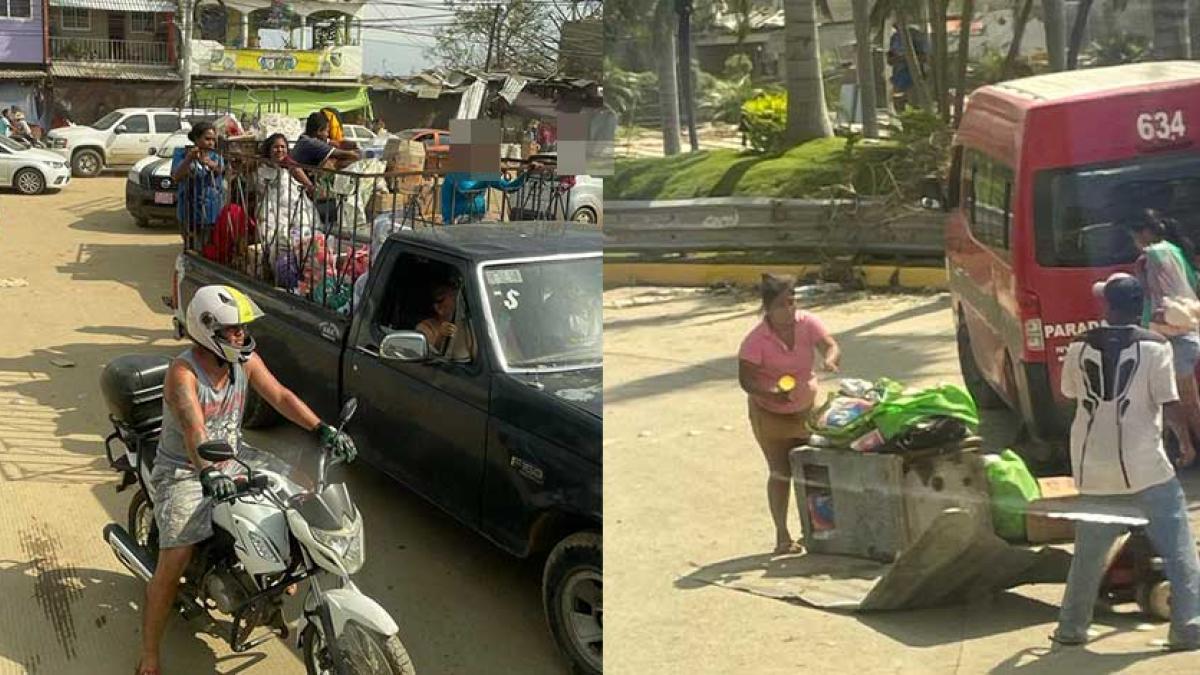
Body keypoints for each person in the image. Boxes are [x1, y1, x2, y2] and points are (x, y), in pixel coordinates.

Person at [137, 285, 359, 675]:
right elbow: (194, 428)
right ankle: (150, 654)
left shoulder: (244, 361)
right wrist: (207, 472)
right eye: (231, 330)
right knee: (175, 559)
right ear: (207, 330)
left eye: (241, 328)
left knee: (300, 491)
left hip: (235, 457)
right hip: (187, 470)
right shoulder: (183, 372)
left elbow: (280, 396)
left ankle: (268, 588)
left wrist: (322, 429)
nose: (240, 335)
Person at [1052, 273, 1200, 651]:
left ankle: (1071, 628)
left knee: (1088, 555)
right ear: (1141, 307)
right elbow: (1168, 403)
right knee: (1179, 548)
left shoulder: (1078, 347)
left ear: (1108, 306)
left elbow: (1069, 392)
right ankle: (1188, 629)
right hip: (1145, 467)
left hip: (1092, 468)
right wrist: (1184, 443)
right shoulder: (1156, 347)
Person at [737, 273, 841, 555]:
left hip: (805, 409)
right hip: (769, 413)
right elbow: (746, 380)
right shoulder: (756, 340)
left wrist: (829, 359)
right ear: (768, 308)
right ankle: (782, 536)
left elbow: (829, 345)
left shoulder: (808, 323)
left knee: (814, 469)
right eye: (782, 304)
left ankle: (822, 531)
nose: (789, 309)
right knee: (781, 472)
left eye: (792, 302)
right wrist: (770, 392)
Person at [1124, 209, 1200, 453]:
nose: (1135, 243)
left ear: (1145, 233)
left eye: (1135, 237)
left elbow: (1150, 298)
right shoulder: (1175, 249)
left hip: (1167, 335)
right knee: (1187, 399)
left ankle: (1186, 447)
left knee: (1181, 401)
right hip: (1188, 328)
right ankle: (1184, 447)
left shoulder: (1148, 257)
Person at [291, 112, 359, 229]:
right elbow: (344, 154)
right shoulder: (311, 143)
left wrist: (350, 143)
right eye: (326, 131)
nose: (328, 135)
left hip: (307, 186)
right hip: (303, 189)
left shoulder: (307, 138)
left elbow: (336, 143)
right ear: (318, 131)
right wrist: (358, 154)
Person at [171, 121, 226, 249]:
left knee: (208, 248)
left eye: (213, 140)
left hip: (211, 211)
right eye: (207, 139)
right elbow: (176, 176)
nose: (211, 143)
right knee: (191, 248)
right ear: (196, 138)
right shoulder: (182, 153)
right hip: (188, 210)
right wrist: (189, 159)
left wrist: (210, 164)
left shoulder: (216, 155)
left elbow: (221, 171)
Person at [257, 133, 316, 249]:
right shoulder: (261, 165)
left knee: (299, 226)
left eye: (282, 147)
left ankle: (296, 244)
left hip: (290, 206)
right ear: (269, 150)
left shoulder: (288, 164)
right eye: (276, 147)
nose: (279, 150)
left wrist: (310, 186)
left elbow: (299, 174)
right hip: (269, 208)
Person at [440, 161, 543, 225]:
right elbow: (467, 192)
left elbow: (510, 188)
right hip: (456, 219)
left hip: (477, 218)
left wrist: (528, 173)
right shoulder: (458, 172)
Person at [416, 281, 474, 361]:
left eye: (457, 296)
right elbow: (429, 359)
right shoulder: (426, 327)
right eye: (439, 299)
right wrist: (441, 337)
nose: (457, 300)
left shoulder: (471, 325)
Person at [887, 23, 929, 111]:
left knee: (914, 105)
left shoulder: (916, 35)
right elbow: (890, 59)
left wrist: (905, 58)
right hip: (899, 76)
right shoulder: (895, 37)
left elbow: (924, 57)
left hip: (913, 77)